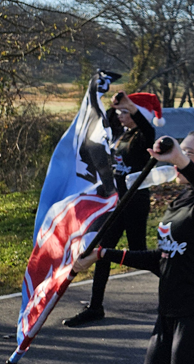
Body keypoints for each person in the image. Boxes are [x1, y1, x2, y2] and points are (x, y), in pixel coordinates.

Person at [73, 131, 194, 364]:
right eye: (181, 150)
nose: (178, 157)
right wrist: (102, 254)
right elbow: (162, 259)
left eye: (188, 153)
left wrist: (181, 160)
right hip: (168, 313)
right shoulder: (181, 200)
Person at [63, 91, 160, 327]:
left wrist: (132, 107)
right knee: (103, 249)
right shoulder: (122, 134)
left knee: (139, 253)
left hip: (135, 201)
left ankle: (185, 281)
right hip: (118, 202)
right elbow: (106, 118)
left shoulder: (143, 137)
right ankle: (96, 307)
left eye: (125, 112)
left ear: (138, 115)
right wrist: (103, 98)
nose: (120, 115)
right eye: (120, 112)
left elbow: (150, 131)